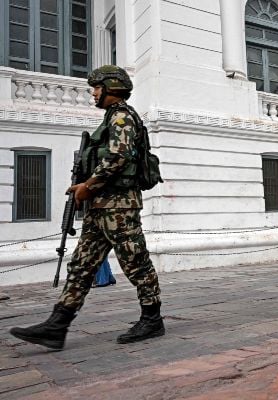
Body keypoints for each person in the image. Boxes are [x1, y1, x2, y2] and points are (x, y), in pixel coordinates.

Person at [10, 65, 164, 350]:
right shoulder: (109, 119)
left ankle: (152, 318)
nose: (93, 93)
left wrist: (88, 185)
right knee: (82, 265)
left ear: (111, 87)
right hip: (100, 208)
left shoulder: (122, 116)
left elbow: (119, 156)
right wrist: (86, 189)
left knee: (136, 262)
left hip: (119, 207)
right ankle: (57, 326)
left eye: (96, 87)